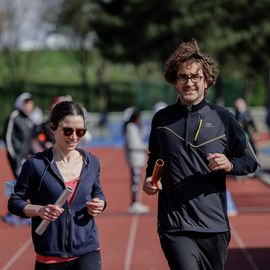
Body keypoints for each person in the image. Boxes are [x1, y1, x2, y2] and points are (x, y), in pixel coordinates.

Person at [143, 39, 259, 270]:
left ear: (206, 82)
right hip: (174, 223)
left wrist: (230, 164)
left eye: (196, 77)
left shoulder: (224, 118)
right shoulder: (161, 120)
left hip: (213, 224)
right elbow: (156, 158)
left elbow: (250, 162)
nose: (189, 83)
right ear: (175, 82)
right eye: (183, 77)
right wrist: (151, 178)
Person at [8, 101, 106, 270]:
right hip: (50, 256)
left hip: (88, 250)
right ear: (53, 128)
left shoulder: (92, 162)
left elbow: (98, 193)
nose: (74, 136)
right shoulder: (36, 165)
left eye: (80, 131)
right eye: (67, 130)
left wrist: (100, 204)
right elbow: (14, 202)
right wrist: (39, 210)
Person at [2, 92, 36, 226]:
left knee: (23, 184)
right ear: (20, 103)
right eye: (25, 103)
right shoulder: (14, 116)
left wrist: (35, 154)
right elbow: (7, 137)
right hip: (16, 157)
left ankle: (19, 213)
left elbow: (28, 141)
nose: (28, 106)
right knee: (22, 184)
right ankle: (14, 214)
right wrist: (13, 155)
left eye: (30, 104)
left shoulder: (28, 119)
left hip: (26, 157)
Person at [123, 107, 150, 214]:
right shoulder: (130, 127)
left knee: (137, 181)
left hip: (137, 159)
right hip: (135, 159)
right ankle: (134, 203)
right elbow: (133, 144)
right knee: (135, 182)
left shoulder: (134, 127)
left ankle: (136, 202)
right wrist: (145, 147)